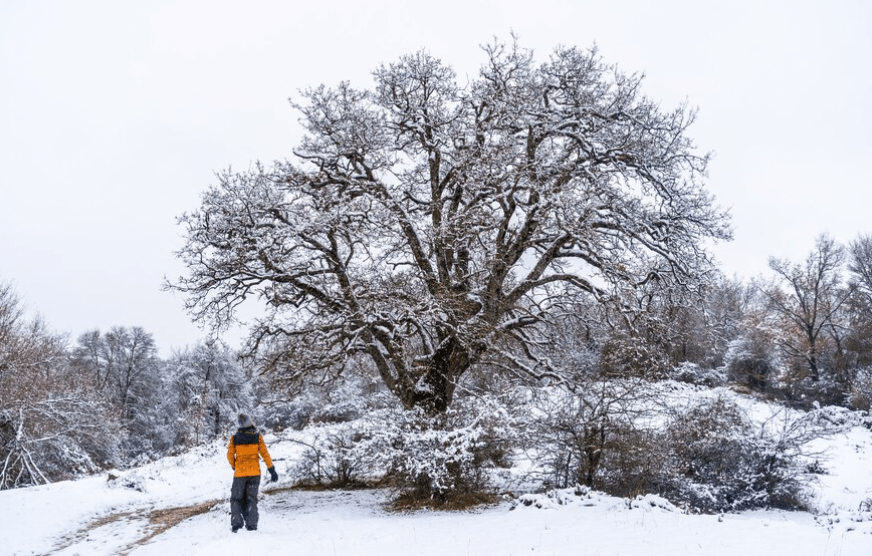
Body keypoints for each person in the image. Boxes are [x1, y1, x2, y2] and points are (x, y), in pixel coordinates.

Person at [226, 413, 279, 532]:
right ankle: (251, 525)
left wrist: (235, 465)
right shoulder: (257, 436)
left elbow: (229, 455)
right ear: (250, 422)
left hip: (240, 474)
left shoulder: (235, 438)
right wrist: (272, 470)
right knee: (251, 498)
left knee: (236, 498)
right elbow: (265, 454)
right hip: (254, 473)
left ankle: (237, 524)